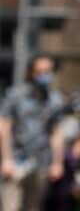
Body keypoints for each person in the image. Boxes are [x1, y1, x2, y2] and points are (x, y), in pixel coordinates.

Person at [0, 56, 65, 211]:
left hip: (41, 161)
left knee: (33, 207)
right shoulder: (16, 95)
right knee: (11, 206)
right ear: (31, 73)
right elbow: (4, 127)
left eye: (48, 71)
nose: (44, 75)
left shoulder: (55, 100)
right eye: (40, 71)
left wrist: (57, 162)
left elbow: (56, 133)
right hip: (17, 159)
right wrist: (6, 159)